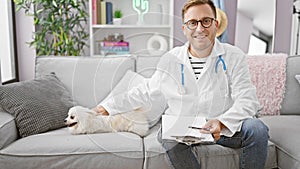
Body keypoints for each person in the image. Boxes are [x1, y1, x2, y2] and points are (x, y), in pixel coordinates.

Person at [93, 0, 269, 168]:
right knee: (166, 135)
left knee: (257, 128)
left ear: (216, 24)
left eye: (206, 21)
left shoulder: (234, 56)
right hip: (185, 128)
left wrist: (222, 123)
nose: (200, 28)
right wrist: (107, 106)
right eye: (193, 22)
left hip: (223, 129)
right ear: (184, 29)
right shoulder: (171, 59)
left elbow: (248, 100)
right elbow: (145, 90)